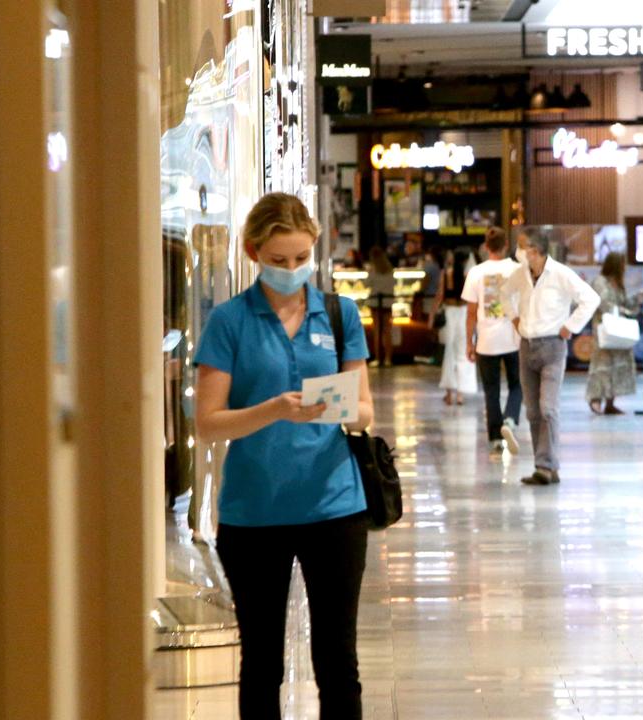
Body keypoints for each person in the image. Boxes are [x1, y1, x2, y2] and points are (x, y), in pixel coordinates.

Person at [192, 192, 374, 718]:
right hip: (255, 514)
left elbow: (365, 412)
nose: (292, 270)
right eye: (278, 260)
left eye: (300, 259)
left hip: (335, 508)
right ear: (253, 252)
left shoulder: (339, 314)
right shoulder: (230, 321)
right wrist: (274, 408)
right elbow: (208, 423)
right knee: (262, 663)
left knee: (338, 661)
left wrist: (337, 407)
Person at [507, 229, 600, 485]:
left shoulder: (560, 273)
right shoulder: (520, 275)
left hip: (553, 347)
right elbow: (504, 294)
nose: (518, 252)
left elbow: (590, 299)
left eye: (521, 247)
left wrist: (570, 326)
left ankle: (547, 465)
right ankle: (545, 466)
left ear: (535, 251)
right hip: (527, 346)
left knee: (548, 408)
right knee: (533, 412)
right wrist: (514, 318)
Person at [462, 227, 523, 454]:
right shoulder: (517, 270)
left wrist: (469, 342)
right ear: (506, 244)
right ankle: (510, 420)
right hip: (515, 338)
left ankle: (495, 439)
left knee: (491, 389)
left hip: (486, 340)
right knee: (518, 384)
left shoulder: (476, 273)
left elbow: (470, 312)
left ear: (486, 246)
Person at [586, 252, 643, 415]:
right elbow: (604, 304)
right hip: (605, 330)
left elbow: (623, 302)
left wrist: (636, 300)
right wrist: (623, 311)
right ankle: (595, 398)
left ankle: (611, 402)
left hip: (619, 333)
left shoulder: (618, 284)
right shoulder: (600, 282)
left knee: (618, 365)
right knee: (602, 365)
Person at [435, 248, 478, 405]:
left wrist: (432, 316)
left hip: (450, 313)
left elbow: (439, 296)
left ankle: (449, 393)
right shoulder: (469, 277)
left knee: (449, 353)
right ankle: (461, 393)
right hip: (465, 313)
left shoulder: (446, 274)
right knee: (463, 352)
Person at [365, 246, 396, 367]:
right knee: (387, 331)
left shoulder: (373, 270)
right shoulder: (390, 269)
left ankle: (378, 358)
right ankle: (388, 358)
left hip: (375, 303)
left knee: (377, 331)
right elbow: (394, 283)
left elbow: (366, 284)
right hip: (388, 303)